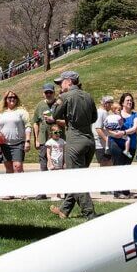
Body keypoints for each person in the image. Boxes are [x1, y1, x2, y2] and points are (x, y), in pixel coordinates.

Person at [48, 70, 98, 220]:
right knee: (78, 176)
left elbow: (55, 115)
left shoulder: (64, 97)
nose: (59, 86)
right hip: (89, 142)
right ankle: (64, 210)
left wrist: (59, 104)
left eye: (61, 83)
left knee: (76, 179)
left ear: (69, 81)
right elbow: (94, 117)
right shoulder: (88, 96)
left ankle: (90, 214)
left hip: (74, 143)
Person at [0, 90, 31, 174]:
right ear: (6, 99)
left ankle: (21, 186)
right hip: (4, 144)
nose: (12, 99)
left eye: (14, 97)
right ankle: (10, 186)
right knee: (9, 169)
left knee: (18, 167)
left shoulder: (22, 111)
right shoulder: (0, 112)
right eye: (10, 97)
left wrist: (27, 141)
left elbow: (28, 126)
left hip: (18, 143)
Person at [32, 81, 59, 171]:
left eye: (50, 92)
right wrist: (36, 139)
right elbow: (35, 123)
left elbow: (66, 121)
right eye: (46, 92)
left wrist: (54, 120)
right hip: (43, 138)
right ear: (43, 94)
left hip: (57, 139)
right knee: (43, 160)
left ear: (54, 93)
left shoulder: (59, 104)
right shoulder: (40, 105)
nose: (48, 94)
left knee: (57, 160)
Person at [92, 94, 114, 166]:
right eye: (111, 102)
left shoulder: (105, 112)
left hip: (104, 144)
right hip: (100, 145)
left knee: (108, 164)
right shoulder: (101, 112)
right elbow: (98, 129)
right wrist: (108, 140)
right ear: (106, 103)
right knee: (105, 164)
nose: (112, 105)